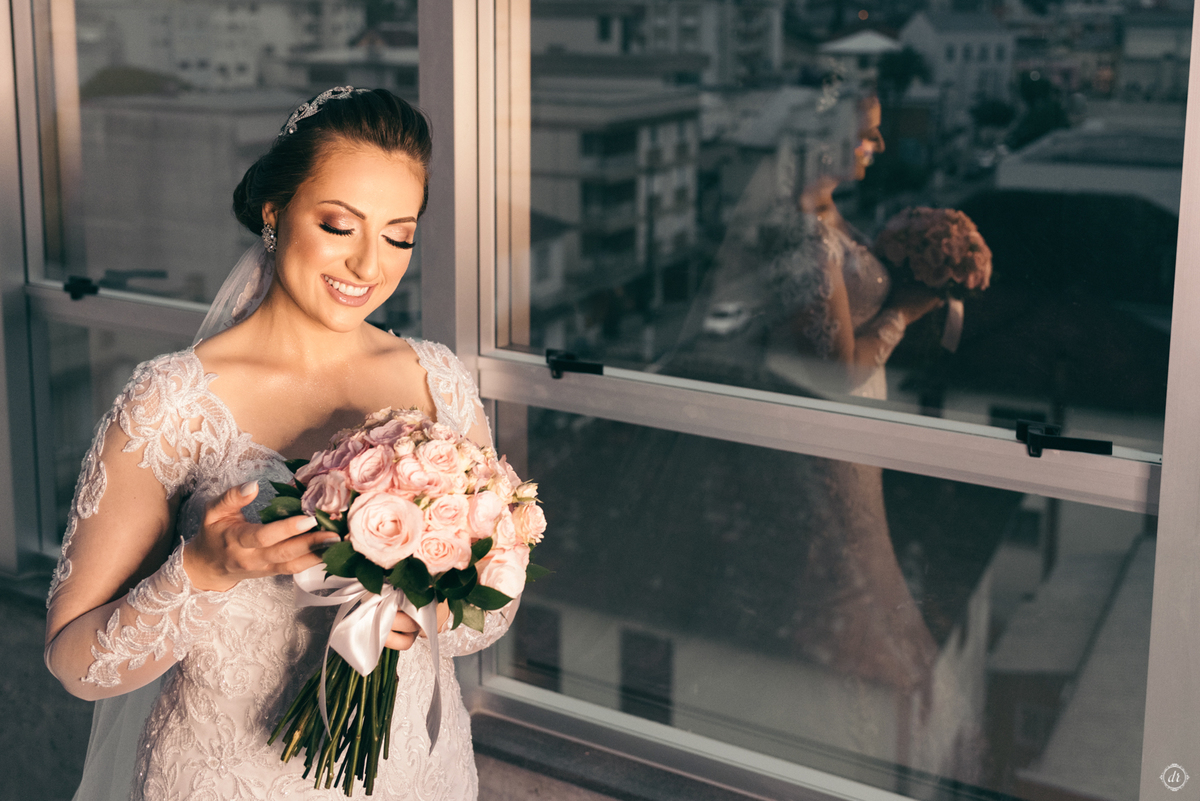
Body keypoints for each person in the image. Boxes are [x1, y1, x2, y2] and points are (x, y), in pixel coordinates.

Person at [43, 87, 515, 801]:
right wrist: (200, 571)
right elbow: (77, 664)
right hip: (224, 778)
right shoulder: (172, 402)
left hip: (409, 775)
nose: (367, 265)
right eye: (338, 225)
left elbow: (490, 613)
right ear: (274, 213)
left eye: (397, 235)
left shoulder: (441, 382)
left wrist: (415, 608)